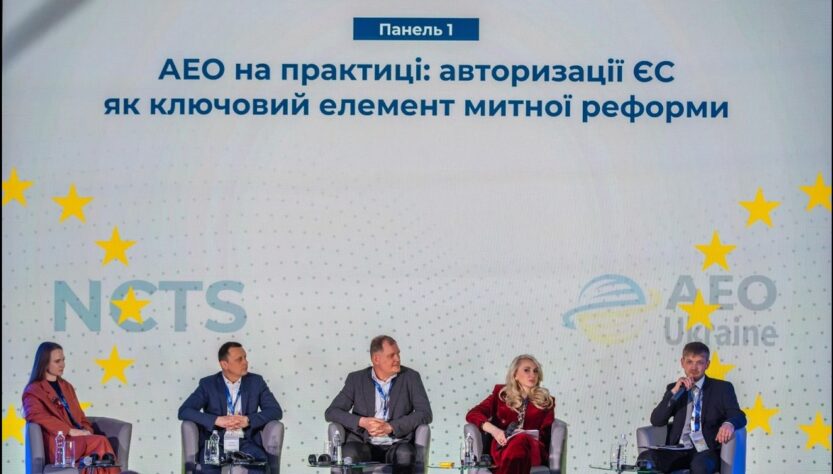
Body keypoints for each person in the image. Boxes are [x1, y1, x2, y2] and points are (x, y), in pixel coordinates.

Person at [325, 335, 433, 474]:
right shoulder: (356, 379)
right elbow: (332, 412)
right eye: (391, 355)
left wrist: (391, 427)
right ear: (376, 359)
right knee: (349, 454)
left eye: (398, 354)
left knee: (406, 455)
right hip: (363, 442)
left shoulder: (411, 377)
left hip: (397, 442)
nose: (397, 359)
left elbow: (425, 413)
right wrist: (363, 422)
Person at [637, 342, 747, 474]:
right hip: (678, 449)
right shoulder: (675, 388)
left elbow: (738, 415)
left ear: (707, 364)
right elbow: (657, 420)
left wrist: (729, 424)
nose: (694, 367)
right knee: (646, 459)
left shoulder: (722, 388)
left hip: (705, 451)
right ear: (682, 363)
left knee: (699, 466)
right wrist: (674, 392)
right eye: (689, 362)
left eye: (699, 362)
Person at [178, 341, 282, 472]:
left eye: (245, 357)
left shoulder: (256, 382)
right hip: (216, 442)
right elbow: (184, 411)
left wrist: (248, 420)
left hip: (247, 441)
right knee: (209, 467)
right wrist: (217, 420)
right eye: (239, 359)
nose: (245, 362)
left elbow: (275, 411)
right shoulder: (208, 384)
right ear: (224, 364)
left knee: (259, 465)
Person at [22, 342, 119, 472]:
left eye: (63, 360)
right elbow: (35, 415)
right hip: (60, 444)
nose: (62, 365)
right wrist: (69, 431)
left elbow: (80, 416)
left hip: (79, 440)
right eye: (57, 361)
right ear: (44, 363)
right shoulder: (34, 390)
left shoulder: (66, 386)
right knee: (101, 442)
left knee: (98, 460)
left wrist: (87, 431)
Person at [466, 354, 556, 474]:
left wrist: (525, 435)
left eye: (535, 371)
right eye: (526, 370)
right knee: (516, 447)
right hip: (502, 448)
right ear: (515, 375)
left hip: (532, 450)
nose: (532, 374)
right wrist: (495, 431)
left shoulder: (546, 401)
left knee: (521, 439)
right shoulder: (501, 395)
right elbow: (473, 414)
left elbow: (546, 434)